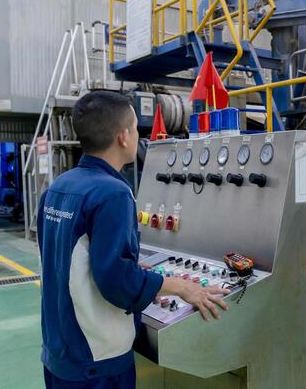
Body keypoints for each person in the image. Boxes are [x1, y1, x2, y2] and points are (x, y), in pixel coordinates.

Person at [37, 91, 228, 389]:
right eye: (137, 128)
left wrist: (132, 268)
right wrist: (182, 287)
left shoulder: (59, 187)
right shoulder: (113, 193)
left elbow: (64, 257)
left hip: (59, 352)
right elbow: (117, 281)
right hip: (97, 362)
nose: (139, 136)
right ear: (124, 137)